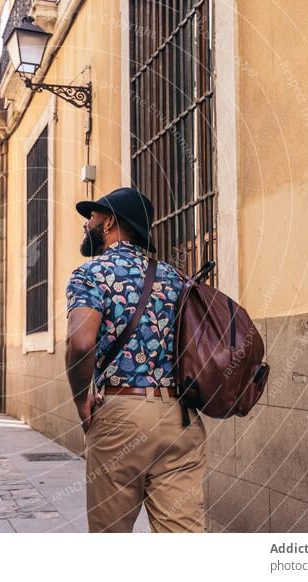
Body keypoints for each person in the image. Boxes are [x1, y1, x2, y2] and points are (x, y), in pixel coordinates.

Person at [65, 187, 206, 533]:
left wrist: (82, 399)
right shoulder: (177, 279)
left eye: (93, 217)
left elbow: (82, 342)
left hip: (120, 415)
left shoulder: (91, 274)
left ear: (110, 222)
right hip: (180, 419)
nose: (88, 223)